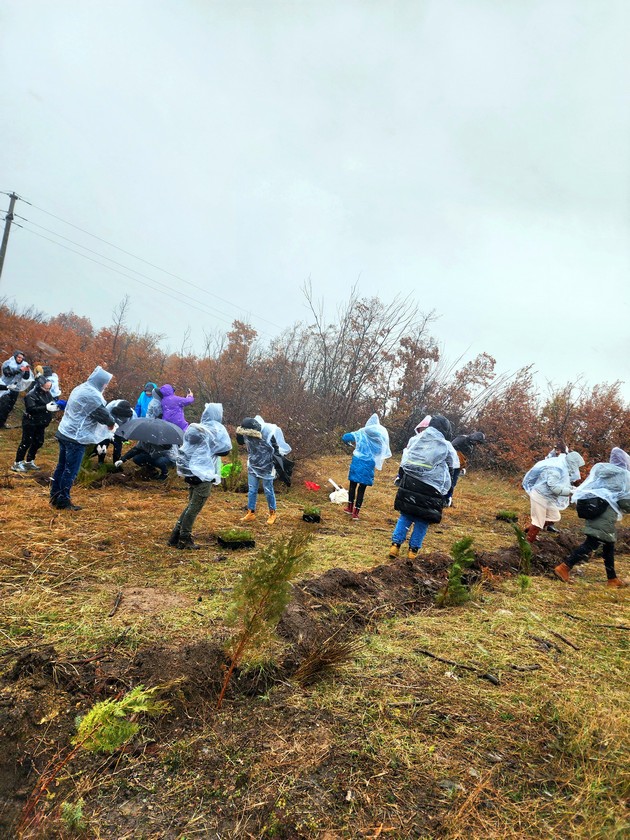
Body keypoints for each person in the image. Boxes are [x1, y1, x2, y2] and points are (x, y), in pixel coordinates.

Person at [554, 448, 630, 588]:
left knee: (608, 545)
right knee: (592, 543)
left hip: (594, 510)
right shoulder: (623, 475)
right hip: (605, 515)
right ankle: (564, 567)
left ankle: (612, 579)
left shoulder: (605, 471)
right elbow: (625, 502)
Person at [50, 366, 115, 511]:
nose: (106, 386)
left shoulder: (81, 388)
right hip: (75, 437)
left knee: (62, 466)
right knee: (70, 470)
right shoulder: (92, 395)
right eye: (105, 383)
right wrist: (111, 424)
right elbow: (104, 416)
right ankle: (63, 500)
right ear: (100, 382)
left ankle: (55, 496)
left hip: (65, 432)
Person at [390, 415, 454, 559]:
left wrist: (400, 478)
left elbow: (404, 462)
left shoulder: (416, 439)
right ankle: (413, 552)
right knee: (422, 520)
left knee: (405, 516)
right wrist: (448, 493)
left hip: (410, 484)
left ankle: (395, 545)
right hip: (432, 489)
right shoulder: (445, 446)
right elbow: (452, 469)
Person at [169, 403, 231, 549]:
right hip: (203, 474)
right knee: (194, 508)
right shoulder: (215, 429)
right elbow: (226, 450)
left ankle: (175, 536)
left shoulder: (197, 428)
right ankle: (184, 539)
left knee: (191, 506)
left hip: (190, 472)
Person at [522, 451, 585, 543]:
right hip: (540, 495)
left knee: (554, 517)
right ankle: (527, 543)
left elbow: (563, 483)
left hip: (549, 498)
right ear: (572, 463)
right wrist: (570, 492)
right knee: (538, 522)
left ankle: (528, 530)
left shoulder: (564, 469)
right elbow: (553, 487)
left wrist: (574, 489)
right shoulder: (556, 470)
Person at [236, 416, 286, 525]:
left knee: (268, 490)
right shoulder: (247, 432)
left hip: (267, 466)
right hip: (253, 464)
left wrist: (277, 465)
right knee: (252, 490)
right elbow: (240, 442)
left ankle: (272, 513)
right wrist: (239, 433)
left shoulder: (268, 432)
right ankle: (251, 512)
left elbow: (276, 450)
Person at [341, 414, 392, 520]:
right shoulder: (379, 437)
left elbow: (345, 437)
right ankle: (356, 512)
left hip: (357, 462)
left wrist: (349, 443)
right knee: (362, 489)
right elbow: (380, 450)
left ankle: (349, 508)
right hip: (369, 464)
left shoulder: (361, 432)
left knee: (352, 485)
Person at [11, 377, 59, 472]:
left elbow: (50, 402)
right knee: (26, 442)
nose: (47, 390)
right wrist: (45, 407)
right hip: (30, 422)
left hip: (41, 423)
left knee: (39, 442)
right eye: (46, 388)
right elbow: (31, 408)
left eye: (49, 388)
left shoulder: (47, 394)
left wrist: (55, 406)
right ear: (40, 385)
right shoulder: (31, 395)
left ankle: (29, 460)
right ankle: (18, 462)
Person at [446, 431, 486, 507]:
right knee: (447, 482)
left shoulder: (471, 447)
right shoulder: (462, 438)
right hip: (450, 465)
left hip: (458, 467)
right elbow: (450, 448)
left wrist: (463, 467)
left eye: (479, 443)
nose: (477, 444)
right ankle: (442, 499)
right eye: (477, 442)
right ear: (474, 438)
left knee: (453, 484)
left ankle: (448, 499)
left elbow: (464, 458)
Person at [0, 350, 33, 428]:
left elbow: (26, 377)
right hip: (5, 387)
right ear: (15, 357)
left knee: (9, 406)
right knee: (3, 406)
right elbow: (7, 374)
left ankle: (2, 423)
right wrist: (20, 370)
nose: (20, 359)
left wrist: (27, 370)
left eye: (22, 358)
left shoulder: (24, 365)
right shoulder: (8, 363)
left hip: (15, 388)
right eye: (18, 357)